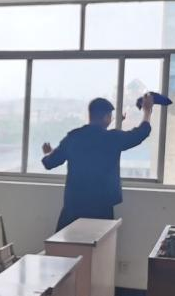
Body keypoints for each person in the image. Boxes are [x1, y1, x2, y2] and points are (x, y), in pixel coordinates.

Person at [41, 93, 154, 230]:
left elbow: (50, 163)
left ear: (90, 115)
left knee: (66, 243)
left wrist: (49, 153)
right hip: (101, 208)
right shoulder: (112, 139)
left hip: (74, 208)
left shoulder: (74, 137)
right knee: (99, 243)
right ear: (106, 117)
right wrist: (147, 111)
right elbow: (140, 133)